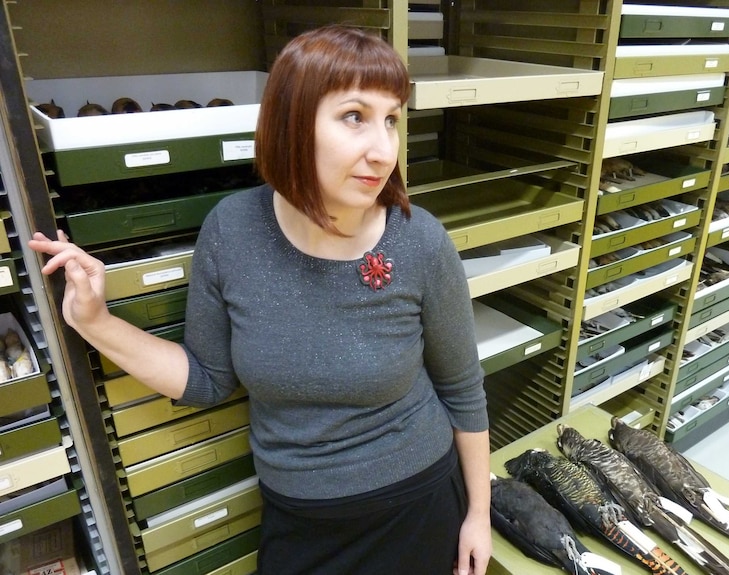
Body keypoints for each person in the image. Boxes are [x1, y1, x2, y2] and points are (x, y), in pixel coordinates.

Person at [29, 25, 491, 575]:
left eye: (391, 119)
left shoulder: (419, 240)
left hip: (417, 505)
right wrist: (94, 321)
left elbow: (462, 388)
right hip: (298, 520)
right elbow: (206, 378)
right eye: (354, 116)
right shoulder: (233, 231)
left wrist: (478, 515)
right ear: (292, 123)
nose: (383, 148)